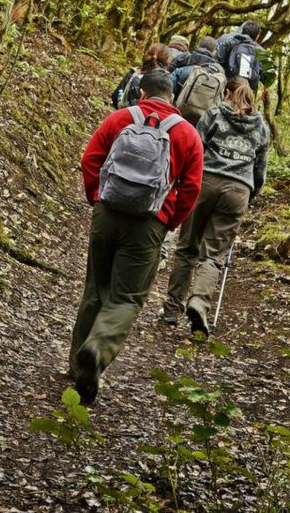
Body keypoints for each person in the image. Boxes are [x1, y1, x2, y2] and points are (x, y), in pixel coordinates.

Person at [71, 68, 204, 404]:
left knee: (95, 289)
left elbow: (90, 160)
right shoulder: (187, 134)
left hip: (107, 212)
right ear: (172, 97)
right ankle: (97, 349)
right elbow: (191, 188)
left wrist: (97, 197)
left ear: (142, 94)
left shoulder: (118, 119)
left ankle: (76, 365)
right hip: (149, 222)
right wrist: (169, 222)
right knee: (127, 297)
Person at [162, 77, 269, 337]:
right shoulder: (261, 126)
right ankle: (199, 302)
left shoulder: (213, 114)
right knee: (213, 254)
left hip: (205, 182)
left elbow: (196, 147)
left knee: (188, 247)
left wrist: (184, 180)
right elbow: (260, 170)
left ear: (227, 93)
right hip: (238, 190)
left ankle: (171, 309)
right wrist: (249, 194)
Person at [111, 43, 171, 109]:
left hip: (125, 115)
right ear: (166, 61)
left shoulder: (134, 73)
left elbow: (116, 96)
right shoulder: (167, 82)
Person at [215, 20, 264, 91]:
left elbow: (214, 58)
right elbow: (266, 75)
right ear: (257, 36)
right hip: (245, 90)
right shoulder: (260, 51)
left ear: (242, 29)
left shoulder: (225, 39)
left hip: (224, 85)